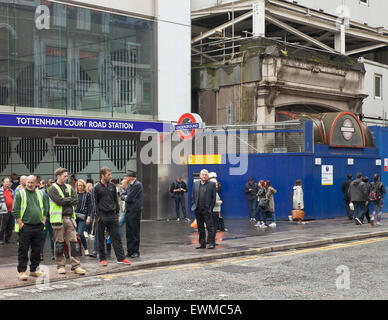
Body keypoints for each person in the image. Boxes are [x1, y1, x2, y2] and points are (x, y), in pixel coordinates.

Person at [48, 168, 86, 275]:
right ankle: (61, 266)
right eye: (64, 176)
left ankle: (76, 266)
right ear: (58, 176)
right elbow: (58, 201)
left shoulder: (69, 187)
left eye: (66, 175)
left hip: (70, 218)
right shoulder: (52, 188)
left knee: (73, 243)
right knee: (59, 243)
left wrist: (65, 201)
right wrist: (68, 200)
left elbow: (76, 200)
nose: (67, 177)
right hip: (58, 220)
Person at [92, 167, 130, 266]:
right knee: (101, 238)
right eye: (108, 174)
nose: (110, 176)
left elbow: (115, 200)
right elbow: (94, 203)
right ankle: (102, 259)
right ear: (102, 175)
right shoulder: (96, 187)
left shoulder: (112, 186)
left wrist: (117, 213)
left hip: (112, 215)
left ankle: (121, 258)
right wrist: (97, 215)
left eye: (110, 174)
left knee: (116, 237)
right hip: (102, 215)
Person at [12, 175, 48, 281]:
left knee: (36, 250)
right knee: (23, 250)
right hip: (26, 227)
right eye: (28, 182)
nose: (29, 184)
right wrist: (21, 224)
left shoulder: (40, 193)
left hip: (38, 226)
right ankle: (22, 271)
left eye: (32, 182)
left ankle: (34, 270)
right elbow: (15, 210)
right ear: (25, 182)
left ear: (36, 183)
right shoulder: (20, 194)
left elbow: (45, 208)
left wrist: (43, 222)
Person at [191, 169, 216, 249]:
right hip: (198, 209)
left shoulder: (212, 184)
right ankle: (202, 244)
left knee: (210, 227)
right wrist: (194, 205)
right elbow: (193, 196)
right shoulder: (195, 184)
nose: (204, 176)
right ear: (200, 175)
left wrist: (210, 208)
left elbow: (213, 198)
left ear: (208, 176)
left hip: (207, 209)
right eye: (203, 174)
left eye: (205, 174)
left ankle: (212, 243)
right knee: (200, 228)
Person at [122, 170, 143, 259]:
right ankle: (130, 251)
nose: (125, 178)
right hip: (128, 211)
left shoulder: (137, 185)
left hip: (135, 211)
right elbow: (123, 195)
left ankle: (135, 251)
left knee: (134, 232)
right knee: (129, 232)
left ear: (131, 177)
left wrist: (127, 197)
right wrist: (127, 197)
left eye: (126, 176)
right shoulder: (130, 185)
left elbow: (129, 197)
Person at [75, 179, 92, 256]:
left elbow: (89, 207)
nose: (80, 187)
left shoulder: (87, 194)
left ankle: (86, 249)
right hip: (74, 216)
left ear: (84, 186)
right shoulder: (75, 194)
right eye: (78, 185)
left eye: (81, 185)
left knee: (80, 233)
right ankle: (76, 250)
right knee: (74, 234)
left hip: (83, 216)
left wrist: (88, 217)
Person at [39, 180, 54, 261]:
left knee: (53, 237)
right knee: (42, 236)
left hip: (53, 218)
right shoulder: (41, 193)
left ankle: (53, 253)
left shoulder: (55, 193)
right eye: (49, 184)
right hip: (44, 218)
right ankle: (40, 253)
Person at [0, 177, 14, 244]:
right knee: (2, 226)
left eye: (9, 182)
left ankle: (7, 240)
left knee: (10, 227)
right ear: (3, 182)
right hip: (3, 211)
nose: (8, 183)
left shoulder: (11, 190)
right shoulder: (0, 191)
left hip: (11, 211)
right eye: (6, 182)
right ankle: (1, 239)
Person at [209, 172, 222, 244]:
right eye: (216, 184)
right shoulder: (213, 192)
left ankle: (210, 240)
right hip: (214, 211)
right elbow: (213, 202)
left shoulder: (212, 192)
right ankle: (212, 241)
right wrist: (220, 202)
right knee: (213, 227)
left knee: (211, 227)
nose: (217, 185)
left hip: (213, 211)